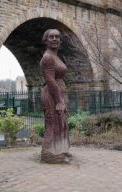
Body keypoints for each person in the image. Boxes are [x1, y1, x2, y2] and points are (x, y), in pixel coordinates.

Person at [39, 29, 70, 163]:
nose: (55, 39)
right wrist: (59, 101)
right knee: (54, 124)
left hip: (59, 93)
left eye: (57, 36)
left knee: (61, 123)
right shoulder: (48, 58)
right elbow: (50, 80)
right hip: (52, 94)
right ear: (45, 40)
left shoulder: (56, 56)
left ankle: (61, 150)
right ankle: (51, 154)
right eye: (51, 37)